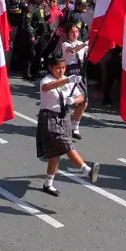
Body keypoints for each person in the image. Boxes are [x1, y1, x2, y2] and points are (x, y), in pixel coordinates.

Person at [36, 55, 100, 196]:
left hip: (64, 117)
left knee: (56, 154)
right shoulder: (46, 80)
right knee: (66, 144)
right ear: (50, 68)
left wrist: (73, 100)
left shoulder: (68, 81)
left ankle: (48, 183)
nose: (61, 70)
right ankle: (87, 171)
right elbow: (47, 88)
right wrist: (67, 80)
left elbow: (81, 97)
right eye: (58, 68)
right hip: (49, 117)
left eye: (63, 68)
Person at [61, 23, 89, 140]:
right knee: (66, 101)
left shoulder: (80, 44)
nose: (75, 34)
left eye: (77, 32)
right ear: (68, 33)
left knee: (84, 102)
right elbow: (72, 50)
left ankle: (75, 126)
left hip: (81, 74)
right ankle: (62, 121)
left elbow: (90, 50)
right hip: (70, 74)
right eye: (72, 32)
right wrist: (84, 44)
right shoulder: (65, 44)